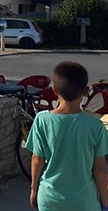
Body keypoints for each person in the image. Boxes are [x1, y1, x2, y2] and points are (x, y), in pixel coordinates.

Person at [26, 61, 108, 211]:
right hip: (84, 202)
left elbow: (37, 159)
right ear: (86, 91)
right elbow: (100, 170)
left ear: (55, 90)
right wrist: (105, 203)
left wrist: (33, 190)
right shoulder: (96, 126)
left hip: (50, 199)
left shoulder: (42, 120)